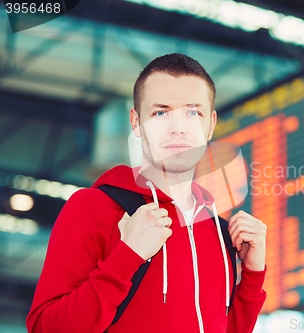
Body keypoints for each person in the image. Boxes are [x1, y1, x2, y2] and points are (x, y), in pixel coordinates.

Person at [26, 53, 267, 333]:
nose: (178, 128)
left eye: (193, 112)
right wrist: (128, 255)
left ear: (210, 124)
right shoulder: (93, 206)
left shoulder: (219, 231)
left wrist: (252, 277)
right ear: (136, 122)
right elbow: (47, 328)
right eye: (160, 112)